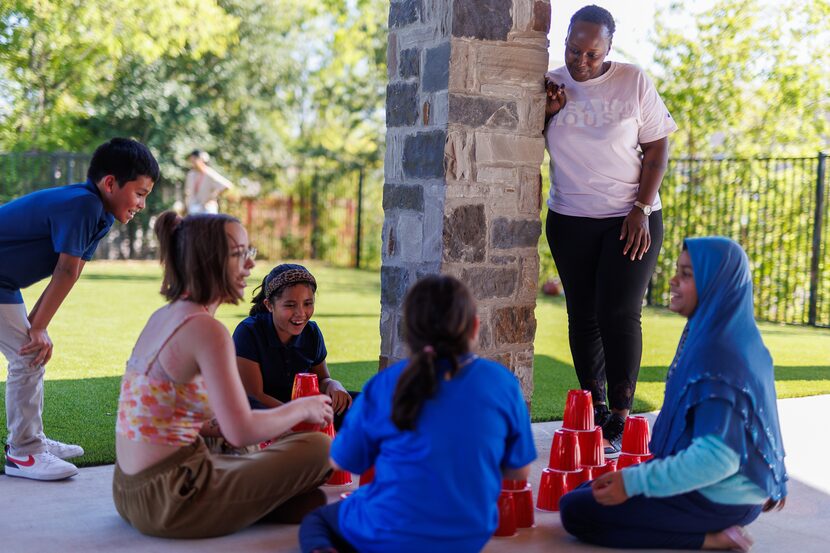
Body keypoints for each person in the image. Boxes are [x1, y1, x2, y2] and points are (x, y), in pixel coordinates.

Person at [112, 212, 334, 538]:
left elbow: (154, 414)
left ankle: (263, 502)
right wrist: (304, 407)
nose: (249, 265)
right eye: (237, 254)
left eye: (248, 252)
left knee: (274, 468)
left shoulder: (165, 315)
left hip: (128, 490)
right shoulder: (206, 329)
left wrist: (208, 425)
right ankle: (264, 502)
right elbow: (241, 430)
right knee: (320, 448)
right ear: (208, 260)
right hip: (172, 498)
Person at [559, 237, 788, 551]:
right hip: (734, 492)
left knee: (577, 512)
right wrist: (772, 473)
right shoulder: (728, 333)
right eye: (678, 271)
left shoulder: (720, 353)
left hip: (718, 495)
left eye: (688, 274)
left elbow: (716, 459)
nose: (673, 280)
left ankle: (712, 538)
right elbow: (760, 418)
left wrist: (633, 482)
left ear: (715, 283)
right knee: (587, 491)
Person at [298, 275, 537, 553]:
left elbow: (345, 460)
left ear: (408, 331)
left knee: (318, 521)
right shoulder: (503, 383)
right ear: (474, 326)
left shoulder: (385, 384)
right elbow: (519, 472)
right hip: (468, 534)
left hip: (389, 531)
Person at [543, 4, 678, 456]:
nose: (583, 62)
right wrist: (545, 112)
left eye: (593, 55)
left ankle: (621, 416)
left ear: (608, 49)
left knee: (618, 313)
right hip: (570, 218)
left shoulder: (631, 81)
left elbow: (658, 147)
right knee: (582, 315)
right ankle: (594, 409)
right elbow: (525, 142)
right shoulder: (550, 84)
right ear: (566, 40)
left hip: (630, 218)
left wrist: (641, 207)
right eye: (575, 50)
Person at [0, 137, 159, 481]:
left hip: (4, 283)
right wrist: (37, 329)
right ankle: (23, 453)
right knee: (29, 354)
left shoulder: (100, 213)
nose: (142, 204)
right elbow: (65, 270)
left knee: (30, 352)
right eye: (141, 193)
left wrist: (36, 325)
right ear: (111, 183)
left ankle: (31, 440)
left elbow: (72, 271)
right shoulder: (84, 206)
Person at [233, 264, 355, 430]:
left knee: (365, 407)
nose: (301, 313)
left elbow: (321, 380)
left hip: (304, 409)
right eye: (290, 305)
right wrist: (299, 415)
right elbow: (253, 396)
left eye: (307, 303)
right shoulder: (248, 332)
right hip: (264, 416)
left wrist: (333, 384)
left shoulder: (311, 332)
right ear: (269, 305)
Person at [183, 149, 233, 214]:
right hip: (193, 209)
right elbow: (188, 192)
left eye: (194, 160)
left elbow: (227, 185)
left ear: (201, 160)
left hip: (207, 210)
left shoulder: (209, 173)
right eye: (191, 161)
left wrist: (212, 196)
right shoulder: (191, 174)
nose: (193, 163)